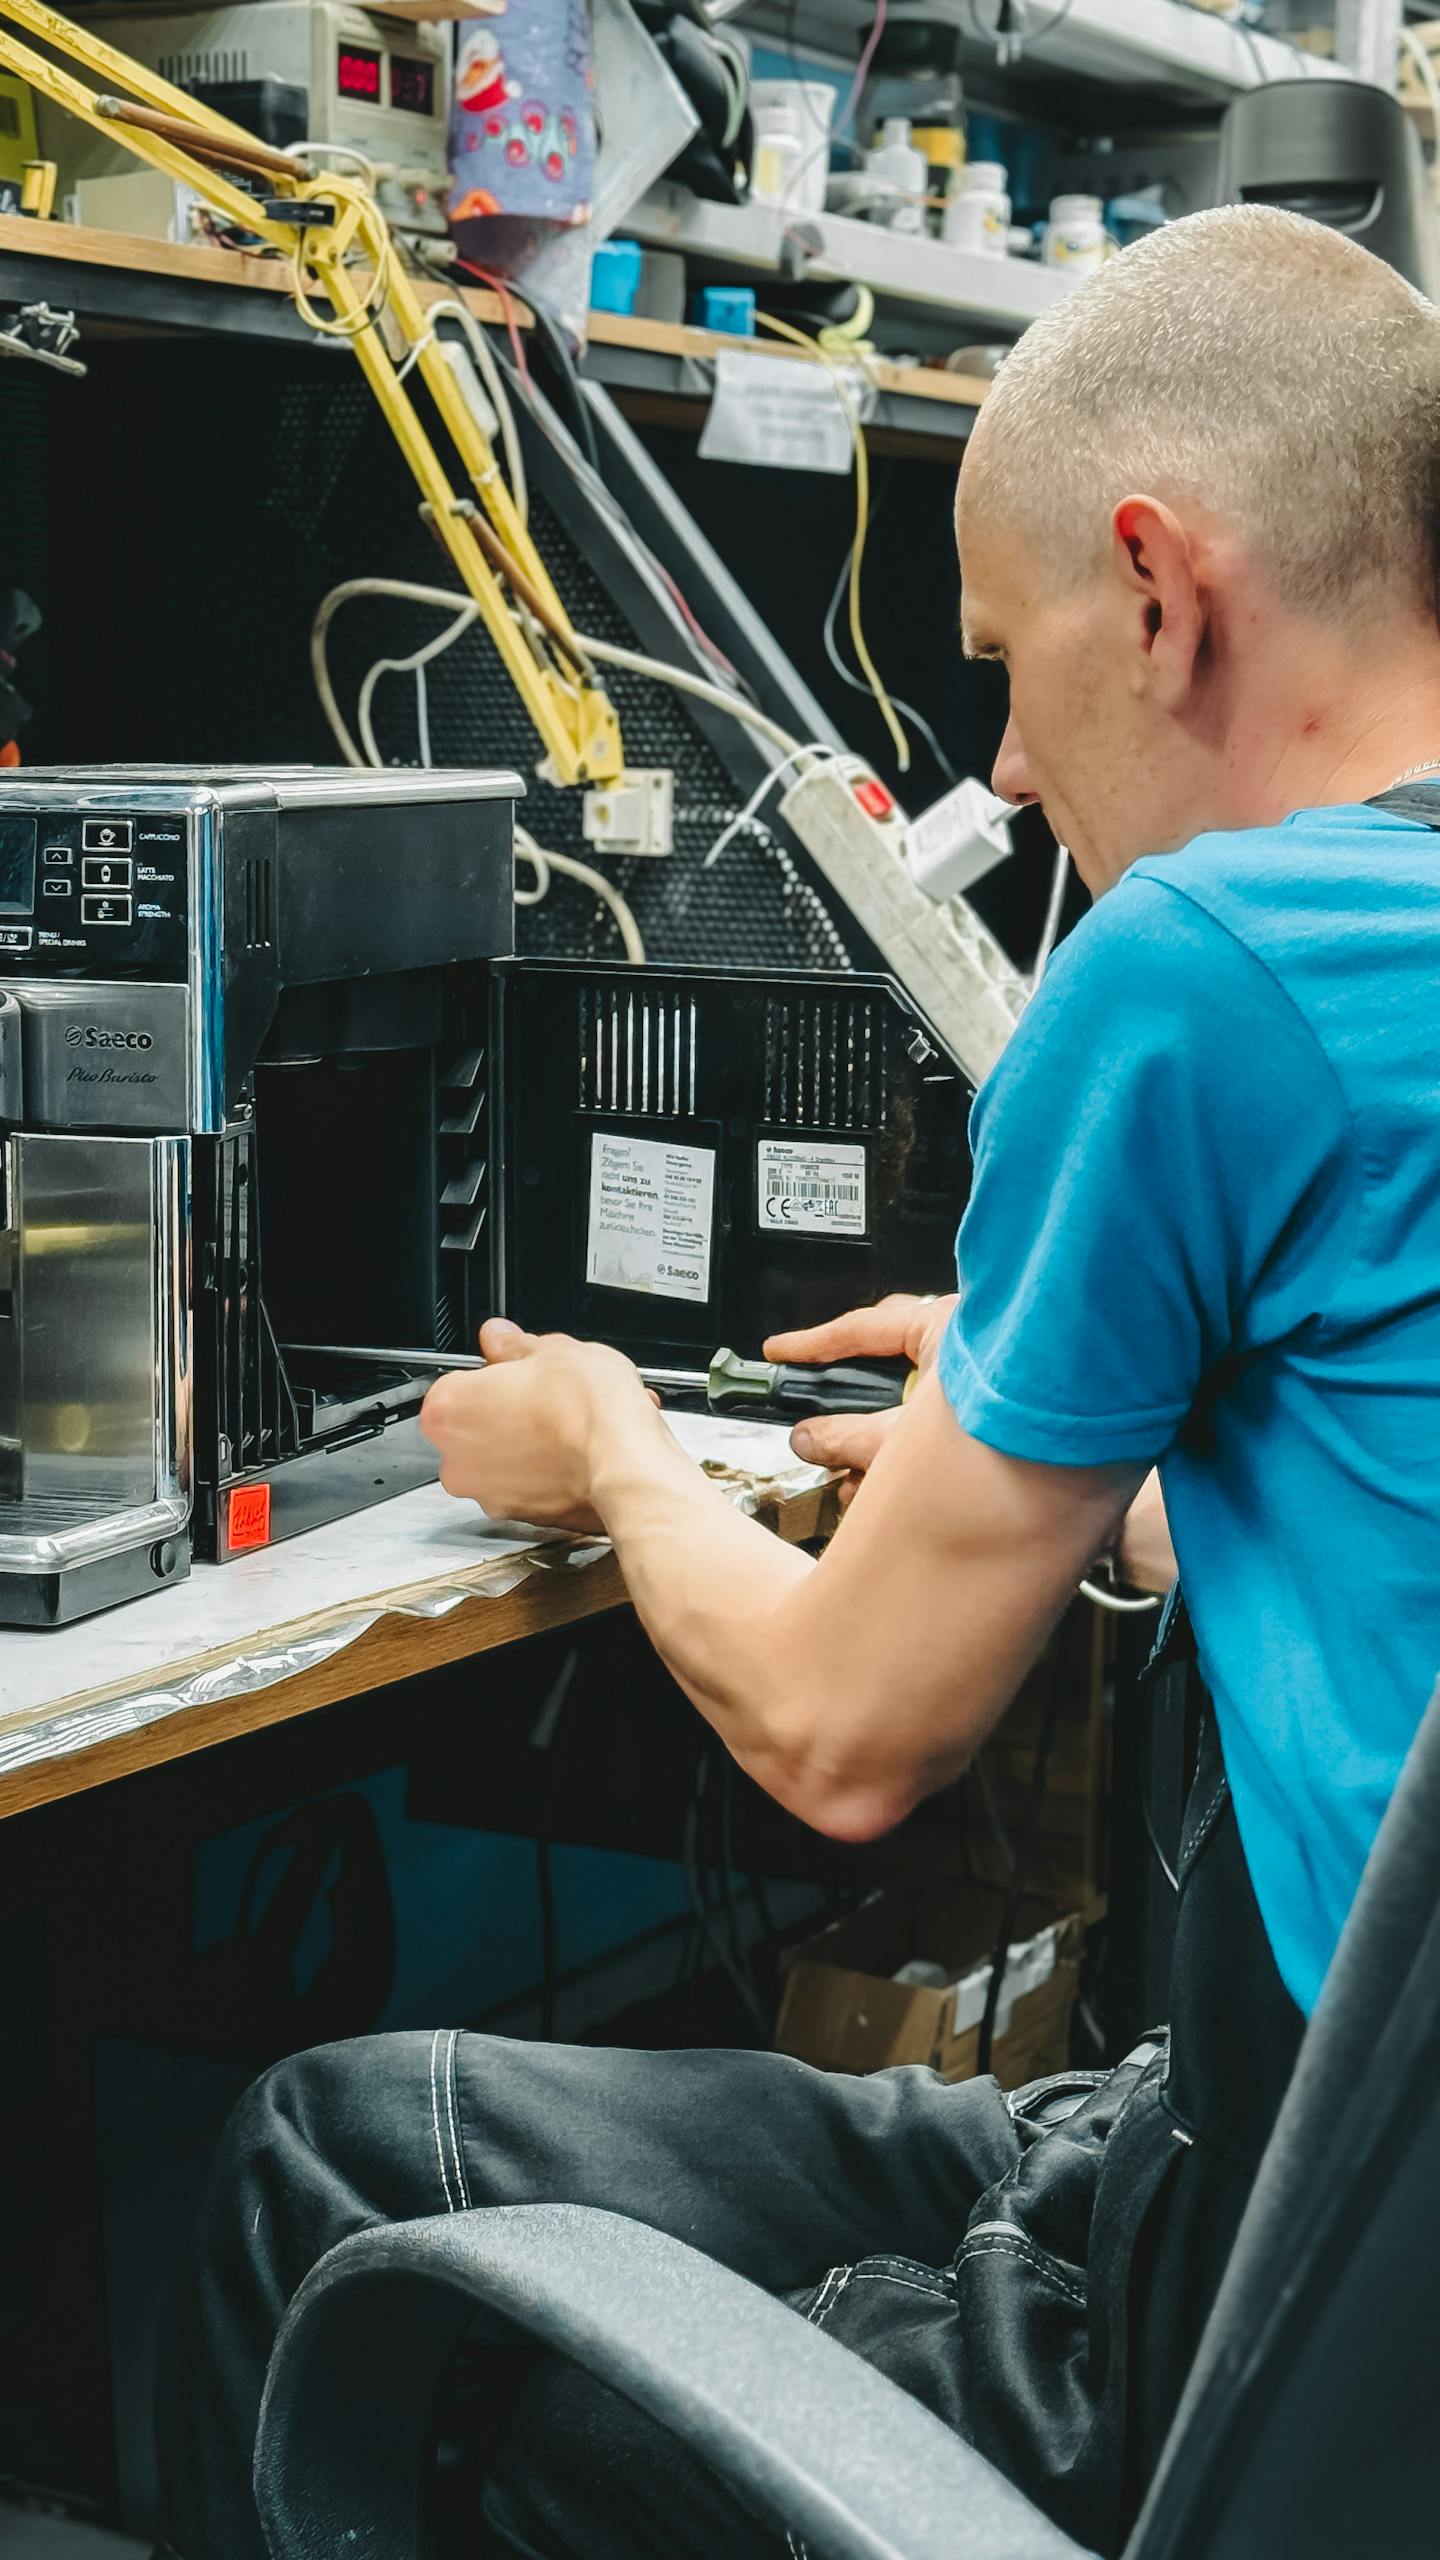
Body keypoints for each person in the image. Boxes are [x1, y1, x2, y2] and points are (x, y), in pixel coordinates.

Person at [157, 205, 1440, 2559]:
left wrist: (621, 1454)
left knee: (329, 2168)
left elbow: (848, 1735)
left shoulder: (1206, 964)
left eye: (1009, 663)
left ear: (1157, 588)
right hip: (1360, 2268)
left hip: (1222, 2305)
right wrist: (1082, 1422)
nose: (1017, 770)